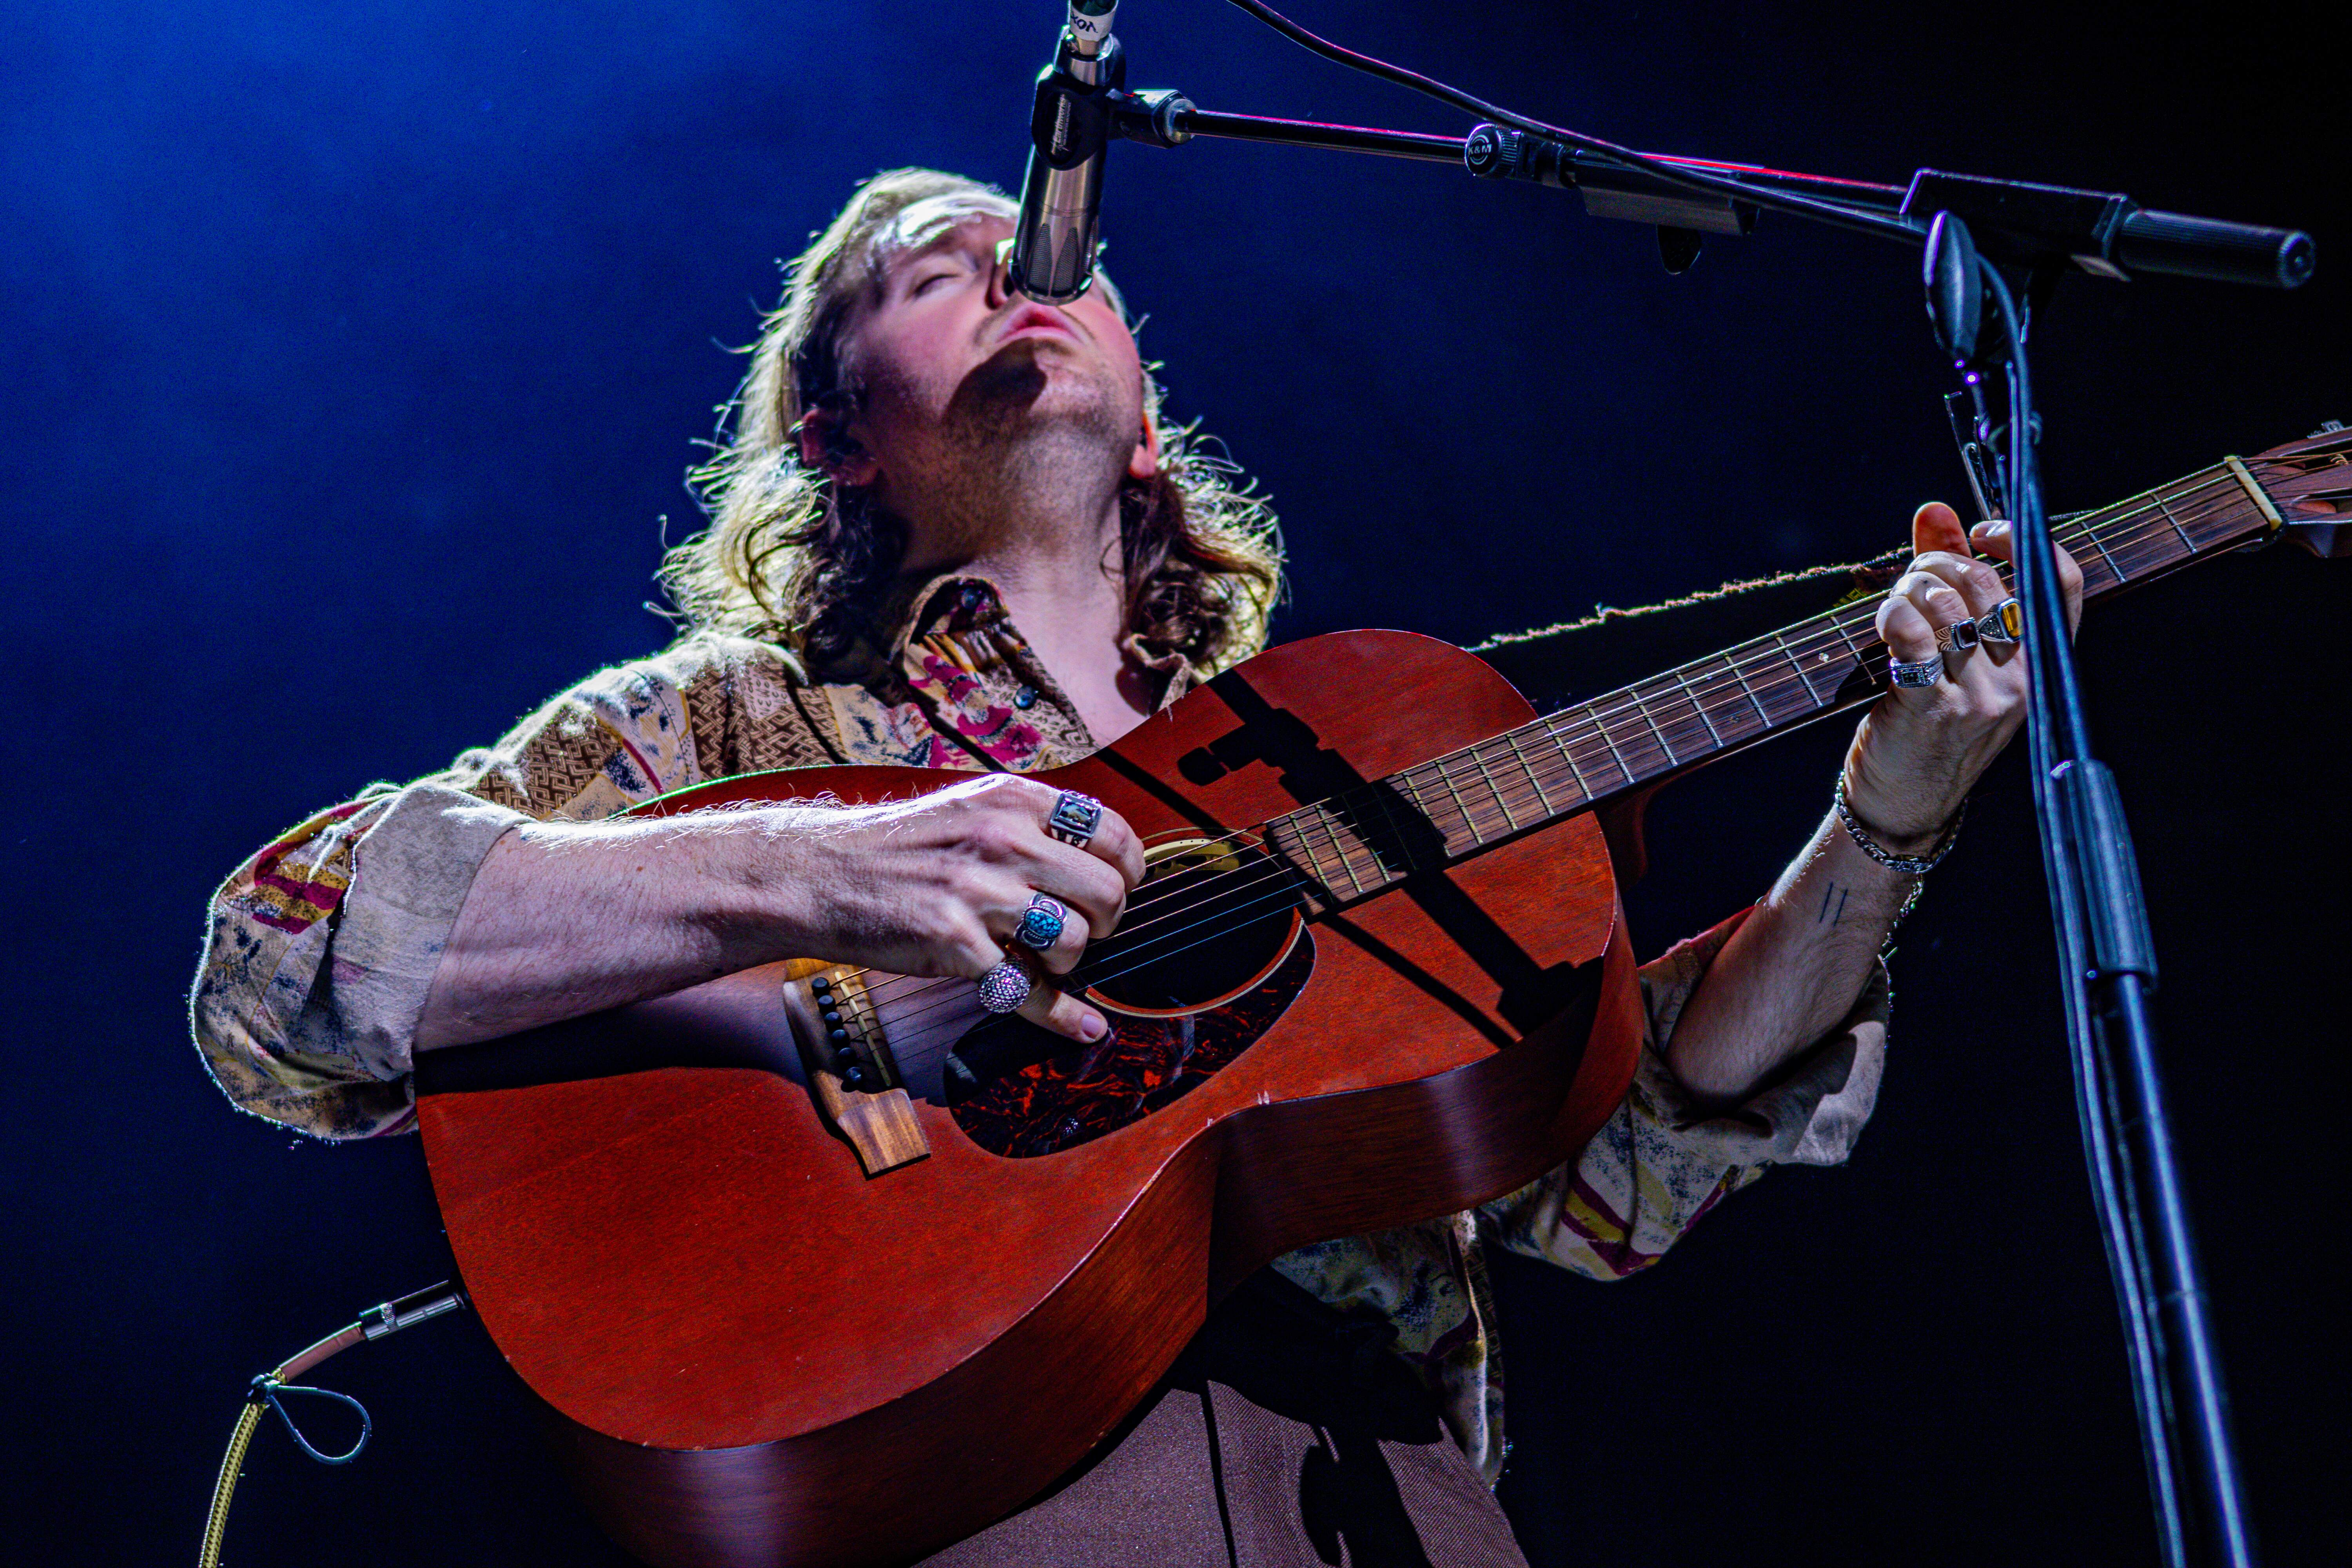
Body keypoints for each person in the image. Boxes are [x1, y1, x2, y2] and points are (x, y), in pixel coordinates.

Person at [191, 167, 2080, 1564]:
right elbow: (278, 967)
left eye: (1044, 265)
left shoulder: (1341, 766)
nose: (1018, 267)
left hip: (1390, 1507)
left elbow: (1620, 1167)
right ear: (836, 432)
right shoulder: (730, 727)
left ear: (1149, 413)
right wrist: (821, 873)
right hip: (965, 1488)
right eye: (937, 271)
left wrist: (1894, 805)